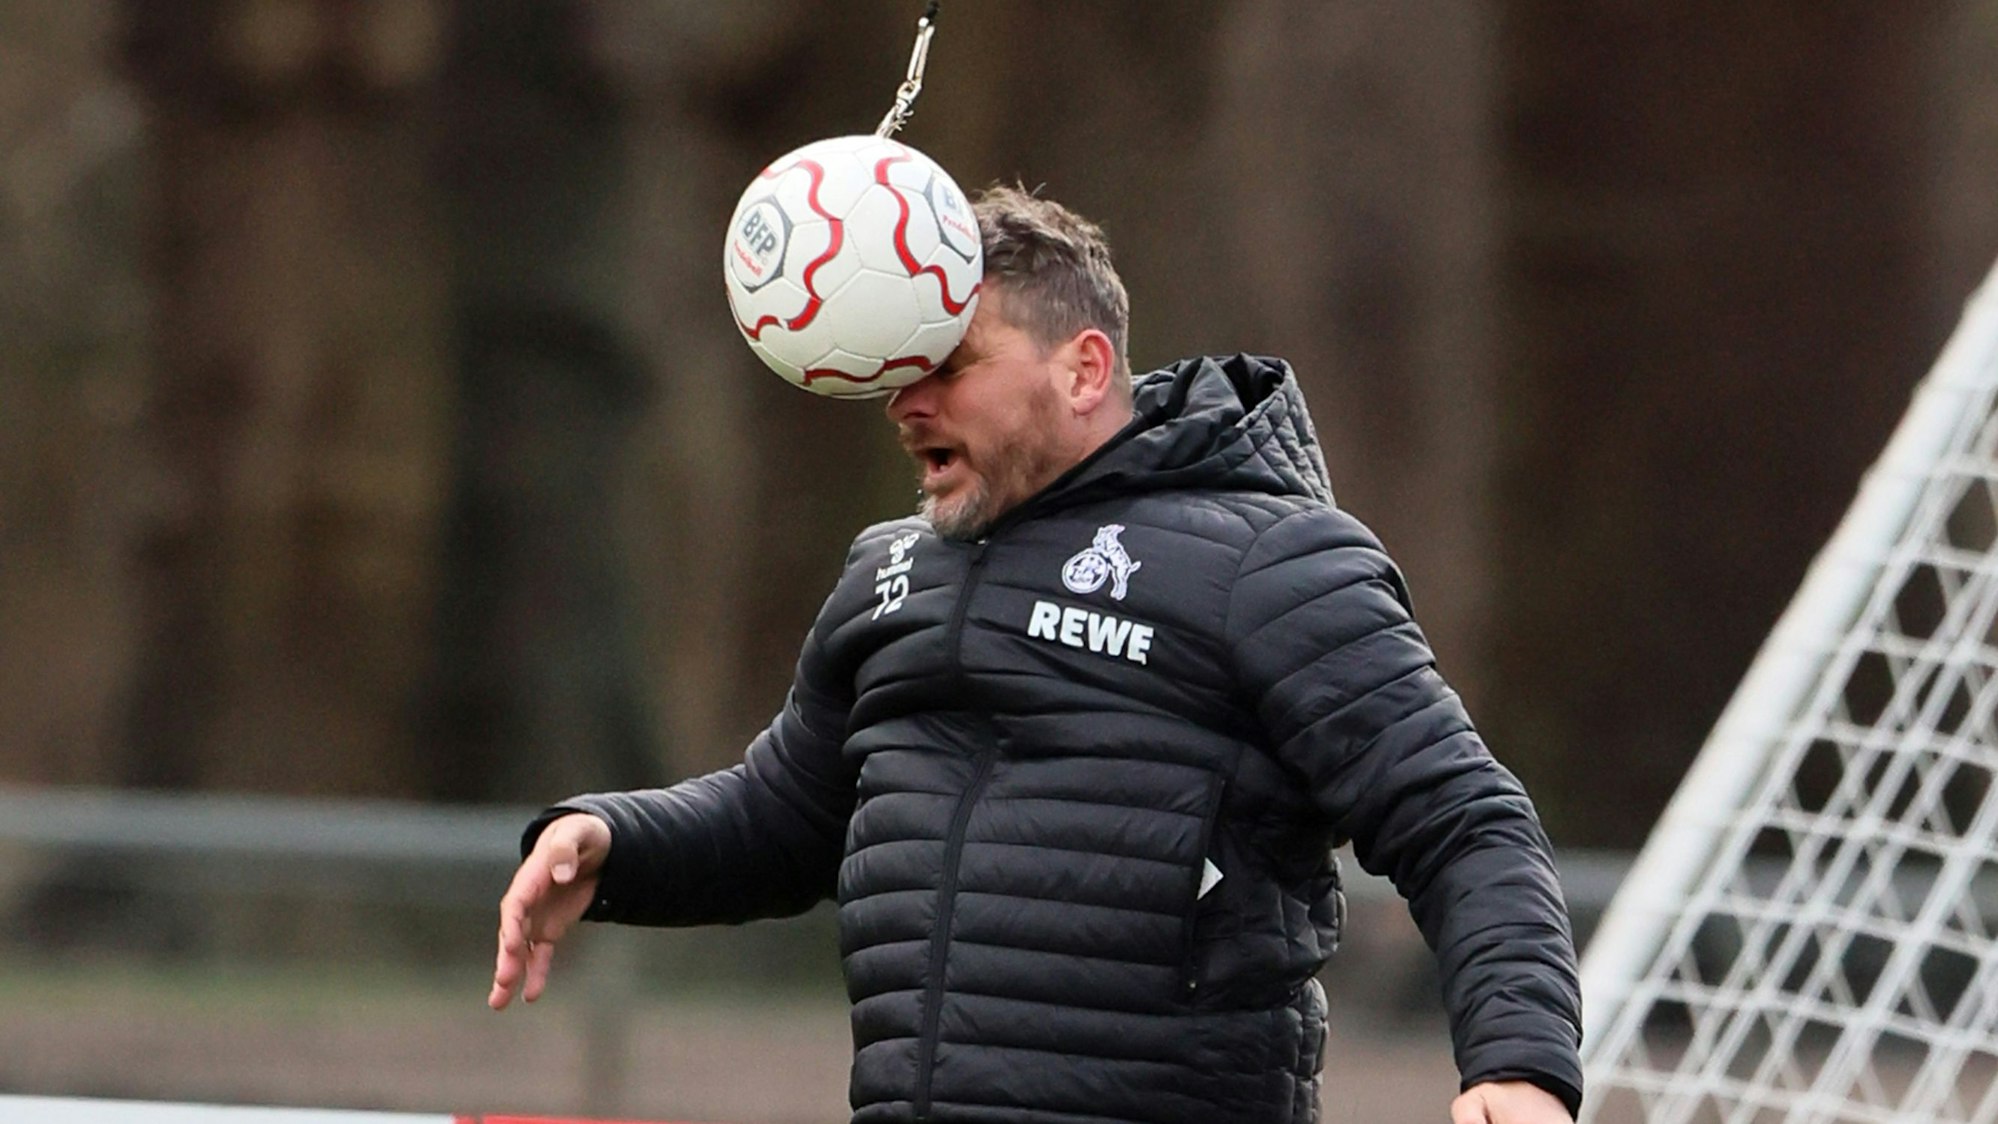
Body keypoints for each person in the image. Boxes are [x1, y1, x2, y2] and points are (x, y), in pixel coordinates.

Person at [489, 185, 1584, 1124]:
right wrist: (611, 840)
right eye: (898, 365)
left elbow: (1462, 818)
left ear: (1083, 367)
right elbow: (784, 818)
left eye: (950, 361)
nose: (906, 400)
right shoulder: (886, 568)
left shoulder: (1270, 562)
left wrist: (1521, 1062)